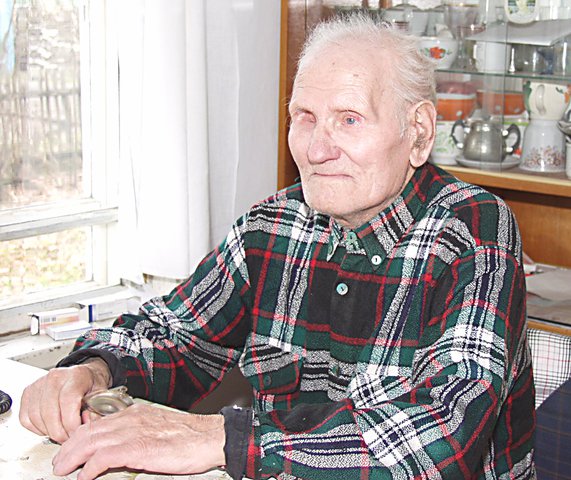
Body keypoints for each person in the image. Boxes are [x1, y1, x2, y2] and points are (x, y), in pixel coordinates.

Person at [19, 13, 535, 480]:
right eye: (304, 116)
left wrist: (221, 437)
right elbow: (174, 336)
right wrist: (93, 369)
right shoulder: (271, 224)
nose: (316, 149)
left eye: (349, 119)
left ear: (418, 132)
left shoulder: (476, 231)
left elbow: (443, 437)